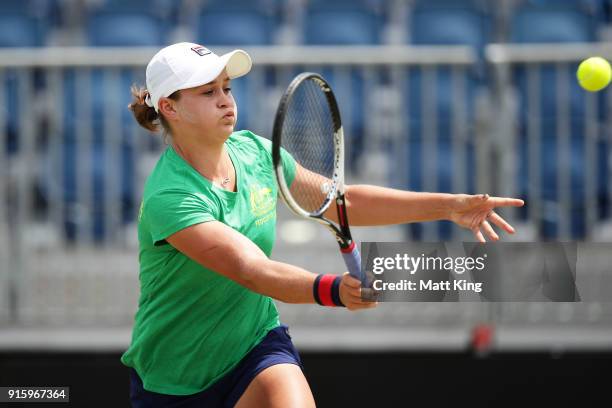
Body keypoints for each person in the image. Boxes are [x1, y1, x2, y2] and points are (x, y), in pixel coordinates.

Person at [121, 42, 524, 407]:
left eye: (226, 88)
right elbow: (250, 269)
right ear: (169, 108)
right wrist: (332, 289)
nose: (226, 100)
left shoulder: (255, 152)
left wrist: (449, 207)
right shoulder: (171, 197)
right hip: (173, 381)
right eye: (208, 92)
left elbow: (339, 201)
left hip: (254, 347)